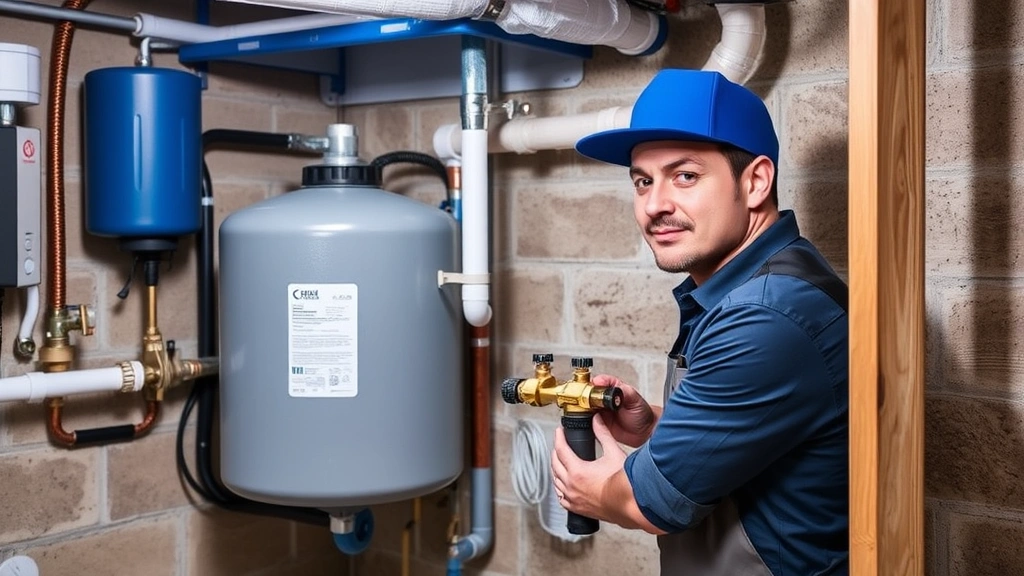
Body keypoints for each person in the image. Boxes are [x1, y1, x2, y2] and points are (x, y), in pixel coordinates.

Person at [550, 68, 849, 575]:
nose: (655, 205)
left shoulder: (764, 314)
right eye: (643, 181)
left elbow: (655, 504)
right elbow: (760, 436)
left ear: (755, 181)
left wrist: (591, 489)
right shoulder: (750, 285)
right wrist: (657, 427)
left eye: (685, 176)